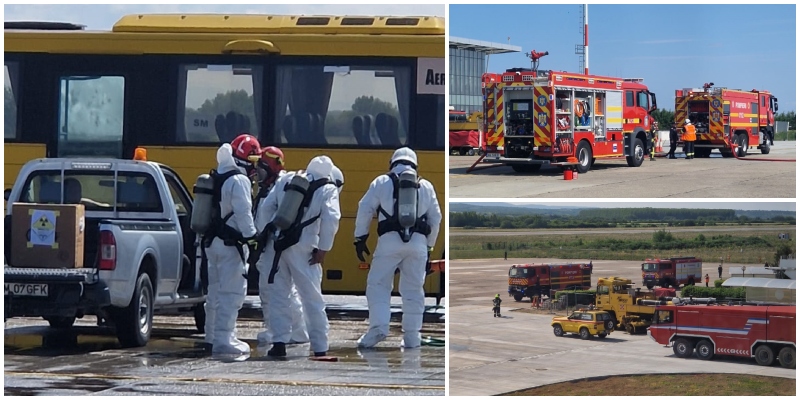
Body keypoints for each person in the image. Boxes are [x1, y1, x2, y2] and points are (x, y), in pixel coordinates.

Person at [354, 147, 442, 348]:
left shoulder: (381, 182)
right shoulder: (426, 186)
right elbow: (436, 219)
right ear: (415, 165)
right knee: (413, 289)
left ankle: (378, 329)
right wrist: (429, 248)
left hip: (388, 242)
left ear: (392, 163)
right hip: (418, 244)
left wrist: (360, 238)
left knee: (379, 285)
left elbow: (365, 208)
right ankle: (412, 337)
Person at [259, 156, 341, 358]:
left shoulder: (287, 179)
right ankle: (320, 347)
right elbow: (331, 218)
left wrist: (267, 234)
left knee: (279, 296)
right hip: (305, 247)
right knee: (311, 297)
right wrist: (323, 249)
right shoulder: (328, 188)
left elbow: (266, 208)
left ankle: (279, 343)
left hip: (277, 245)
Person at [204, 133, 260, 355]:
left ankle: (211, 336)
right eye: (254, 161)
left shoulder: (219, 174)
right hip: (231, 245)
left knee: (215, 293)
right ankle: (225, 339)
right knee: (232, 293)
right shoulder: (239, 180)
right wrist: (253, 238)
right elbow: (244, 213)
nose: (255, 168)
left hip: (213, 243)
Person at [252, 146, 308, 346]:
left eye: (262, 167)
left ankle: (282, 332)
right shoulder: (272, 187)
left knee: (273, 291)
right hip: (268, 246)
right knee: (279, 291)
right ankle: (294, 330)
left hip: (272, 247)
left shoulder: (282, 185)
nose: (257, 172)